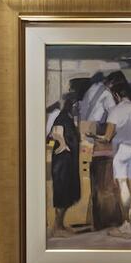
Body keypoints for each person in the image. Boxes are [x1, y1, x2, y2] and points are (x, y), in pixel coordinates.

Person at [93, 82, 131, 238]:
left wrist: (94, 137)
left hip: (121, 151)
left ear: (116, 95)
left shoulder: (115, 110)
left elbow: (107, 137)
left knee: (123, 186)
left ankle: (127, 225)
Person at [47, 96, 81, 237]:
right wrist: (63, 144)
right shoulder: (62, 118)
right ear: (70, 106)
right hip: (63, 161)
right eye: (76, 106)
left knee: (67, 193)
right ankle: (57, 227)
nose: (77, 109)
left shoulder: (68, 118)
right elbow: (54, 134)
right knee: (63, 192)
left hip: (68, 161)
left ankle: (60, 225)